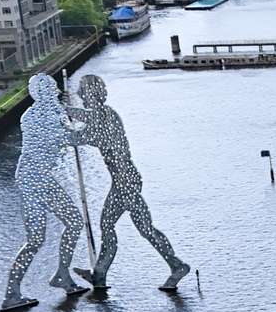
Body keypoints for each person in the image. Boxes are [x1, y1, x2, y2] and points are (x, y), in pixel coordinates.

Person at [68, 74, 189, 291]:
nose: (80, 95)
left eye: (83, 92)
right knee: (139, 227)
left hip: (125, 181)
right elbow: (83, 122)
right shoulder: (105, 114)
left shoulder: (104, 117)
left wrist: (61, 116)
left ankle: (102, 274)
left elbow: (78, 137)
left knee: (117, 226)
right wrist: (65, 114)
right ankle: (102, 274)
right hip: (125, 180)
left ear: (92, 93)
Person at [1, 75, 87, 311]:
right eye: (52, 90)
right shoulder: (34, 116)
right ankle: (12, 294)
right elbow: (63, 138)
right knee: (36, 239)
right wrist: (87, 132)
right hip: (32, 179)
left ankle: (62, 275)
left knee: (73, 222)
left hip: (40, 177)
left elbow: (67, 133)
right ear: (42, 94)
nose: (57, 92)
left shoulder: (51, 112)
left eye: (56, 89)